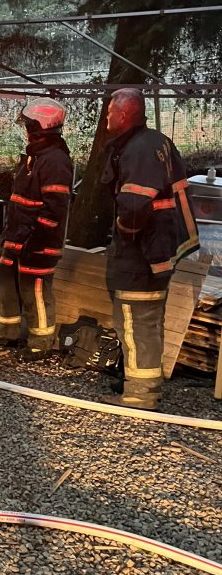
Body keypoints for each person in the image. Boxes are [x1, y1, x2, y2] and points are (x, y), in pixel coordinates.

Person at [100, 86, 199, 409]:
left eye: (110, 112)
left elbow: (133, 206)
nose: (107, 118)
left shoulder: (139, 150)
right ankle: (145, 383)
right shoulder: (156, 142)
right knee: (150, 321)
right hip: (161, 249)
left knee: (135, 321)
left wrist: (123, 231)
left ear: (124, 114)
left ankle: (140, 395)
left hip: (141, 253)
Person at [0, 97, 73, 362]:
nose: (25, 129)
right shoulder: (35, 157)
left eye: (28, 124)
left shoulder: (55, 161)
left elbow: (54, 208)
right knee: (4, 282)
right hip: (17, 236)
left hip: (39, 242)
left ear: (38, 127)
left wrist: (36, 239)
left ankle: (40, 343)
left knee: (35, 291)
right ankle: (5, 332)